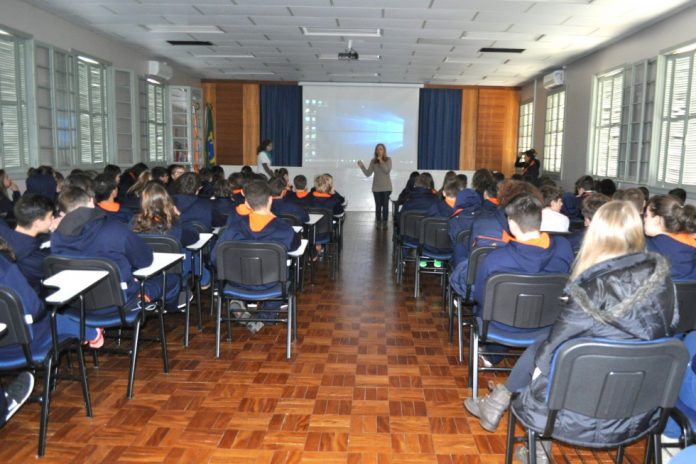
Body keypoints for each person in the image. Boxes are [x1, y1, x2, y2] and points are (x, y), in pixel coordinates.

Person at [463, 201, 678, 463]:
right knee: (552, 345)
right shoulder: (664, 281)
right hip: (640, 403)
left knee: (549, 354)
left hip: (577, 408)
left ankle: (528, 434)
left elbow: (551, 352)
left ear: (594, 234)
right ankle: (499, 402)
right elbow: (670, 329)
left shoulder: (591, 289)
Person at [51, 186, 162, 311]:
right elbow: (145, 260)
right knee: (170, 280)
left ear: (62, 213)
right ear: (91, 201)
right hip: (122, 303)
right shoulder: (114, 228)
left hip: (76, 306)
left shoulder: (56, 238)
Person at [212, 180, 300, 333]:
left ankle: (237, 302)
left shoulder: (232, 229)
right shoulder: (284, 229)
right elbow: (295, 246)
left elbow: (215, 259)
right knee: (287, 272)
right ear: (270, 200)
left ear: (246, 203)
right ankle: (267, 315)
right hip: (271, 283)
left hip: (237, 282)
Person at [131, 182, 198, 311]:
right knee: (188, 255)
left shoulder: (133, 223)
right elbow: (194, 237)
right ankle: (167, 300)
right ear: (167, 203)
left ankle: (151, 296)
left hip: (141, 272)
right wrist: (179, 217)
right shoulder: (172, 227)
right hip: (169, 273)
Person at [0, 193, 56, 293]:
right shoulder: (37, 259)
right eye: (50, 216)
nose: (53, 219)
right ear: (37, 223)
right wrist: (58, 233)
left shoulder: (3, 233)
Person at [644, 194, 696, 281]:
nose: (644, 220)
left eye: (646, 216)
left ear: (657, 220)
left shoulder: (645, 247)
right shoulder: (691, 248)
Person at [358, 143, 393, 229]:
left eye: (381, 149)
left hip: (386, 188)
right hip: (376, 188)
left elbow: (387, 170)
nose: (379, 150)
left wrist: (381, 161)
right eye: (377, 149)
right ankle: (378, 222)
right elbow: (368, 174)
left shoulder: (388, 160)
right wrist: (362, 166)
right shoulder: (373, 161)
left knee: (385, 206)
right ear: (376, 151)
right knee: (378, 206)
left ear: (384, 150)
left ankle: (385, 222)